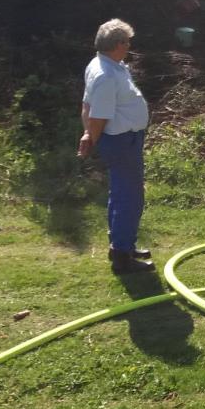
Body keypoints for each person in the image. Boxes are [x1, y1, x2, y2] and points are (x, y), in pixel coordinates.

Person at [78, 19, 153, 273]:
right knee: (130, 198)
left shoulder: (109, 65)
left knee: (121, 195)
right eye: (127, 42)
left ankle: (122, 247)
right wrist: (91, 135)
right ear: (118, 44)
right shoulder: (106, 75)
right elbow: (97, 114)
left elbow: (86, 105)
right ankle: (123, 257)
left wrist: (88, 134)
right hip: (121, 142)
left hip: (125, 141)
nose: (129, 46)